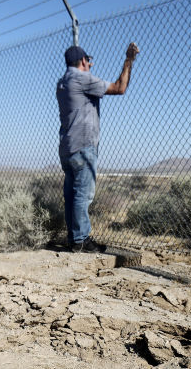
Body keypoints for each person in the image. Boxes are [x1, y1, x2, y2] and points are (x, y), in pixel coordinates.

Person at [56, 41, 140, 252]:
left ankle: (74, 239)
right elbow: (120, 88)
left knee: (71, 195)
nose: (91, 64)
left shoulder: (63, 82)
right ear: (83, 61)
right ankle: (81, 240)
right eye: (89, 61)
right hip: (83, 145)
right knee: (83, 194)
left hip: (67, 146)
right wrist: (129, 60)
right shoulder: (81, 79)